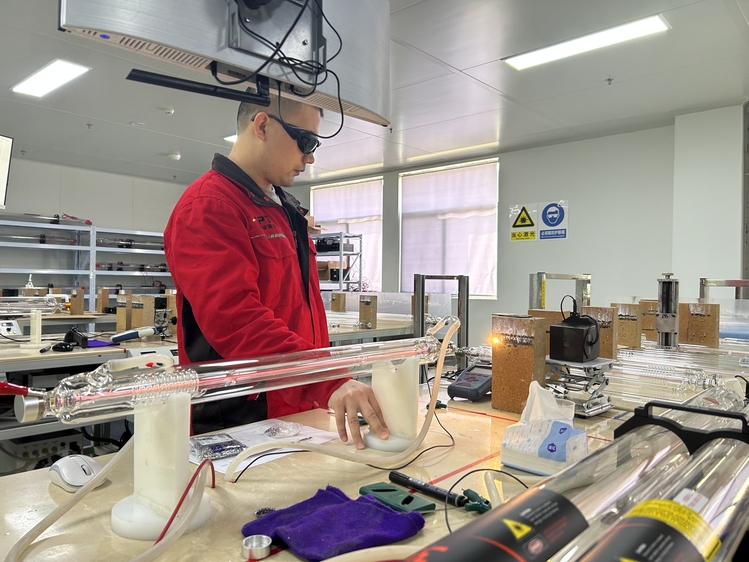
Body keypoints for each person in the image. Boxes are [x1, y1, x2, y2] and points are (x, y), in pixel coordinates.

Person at [163, 94, 388, 448]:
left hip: (295, 402)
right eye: (305, 141)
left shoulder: (283, 209)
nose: (310, 157)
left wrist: (318, 382)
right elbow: (235, 319)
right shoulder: (209, 206)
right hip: (242, 413)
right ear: (263, 126)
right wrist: (327, 379)